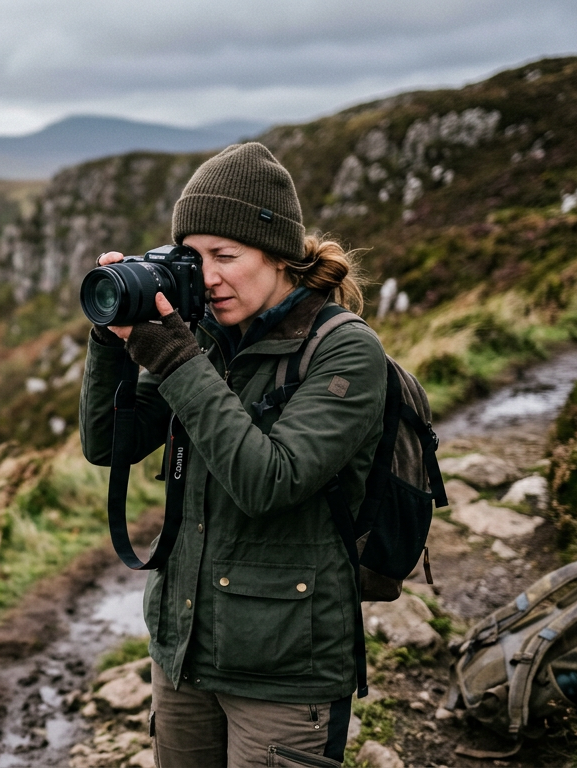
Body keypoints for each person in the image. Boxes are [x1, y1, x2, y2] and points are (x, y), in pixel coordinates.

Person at [79, 142, 385, 767]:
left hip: (284, 671)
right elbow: (108, 444)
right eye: (193, 258)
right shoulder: (206, 338)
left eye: (226, 255)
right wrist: (114, 341)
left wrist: (174, 359)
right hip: (185, 649)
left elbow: (268, 482)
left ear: (280, 257)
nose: (208, 275)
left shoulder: (345, 352)